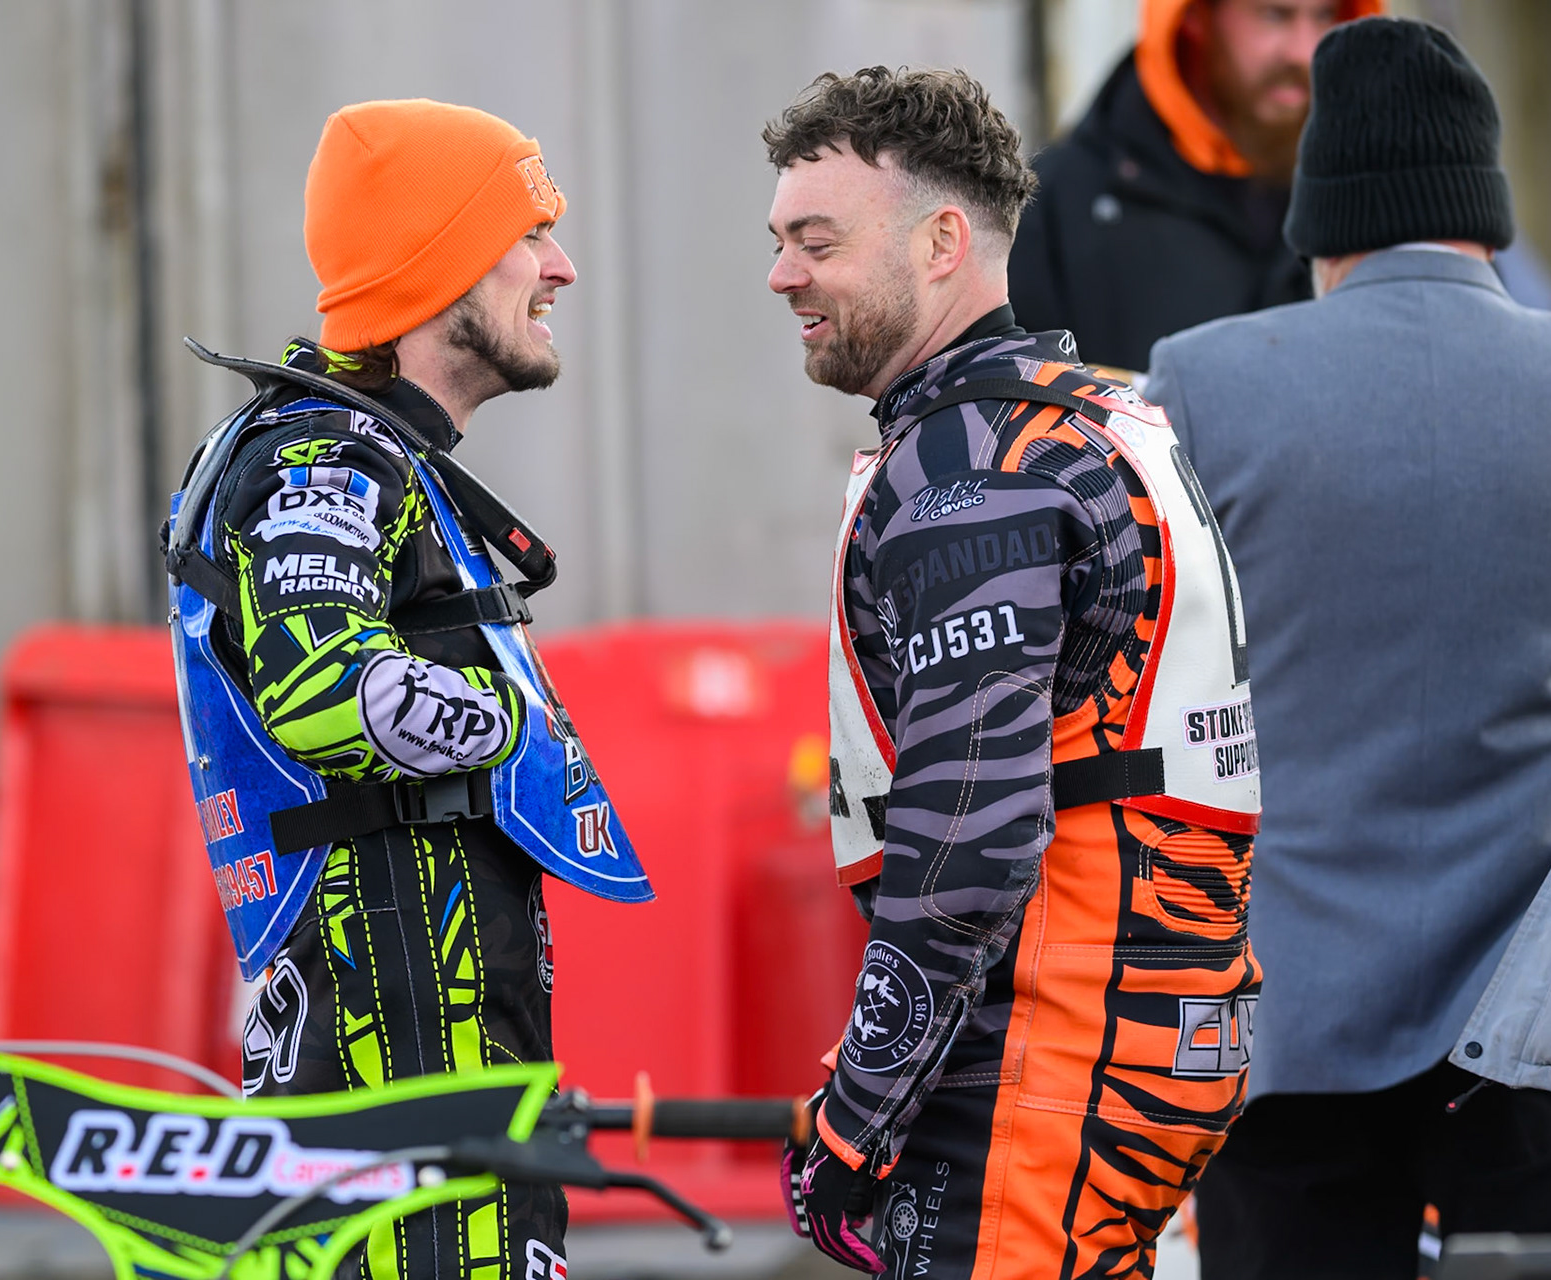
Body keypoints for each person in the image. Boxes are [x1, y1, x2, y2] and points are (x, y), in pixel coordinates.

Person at [1143, 20, 1551, 1276]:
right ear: (1487, 210)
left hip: (1286, 1018)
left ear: (1323, 217)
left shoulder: (1199, 384)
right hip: (1547, 1027)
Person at [763, 66, 1261, 1277]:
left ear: (943, 243)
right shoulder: (1089, 417)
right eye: (779, 242)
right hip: (1150, 1021)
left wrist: (857, 1112)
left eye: (817, 243)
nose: (782, 275)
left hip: (1048, 1047)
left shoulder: (969, 468)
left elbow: (971, 832)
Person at [163, 99, 653, 1280]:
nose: (561, 267)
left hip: (438, 1047)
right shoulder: (323, 458)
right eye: (529, 234)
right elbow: (325, 684)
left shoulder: (374, 457)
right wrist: (505, 724)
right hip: (402, 1065)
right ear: (439, 267)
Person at [1009, 0, 1379, 373]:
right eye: (1274, 15)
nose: (1304, 52)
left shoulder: (1376, 197)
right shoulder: (1052, 209)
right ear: (1194, 15)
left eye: (1325, 15)